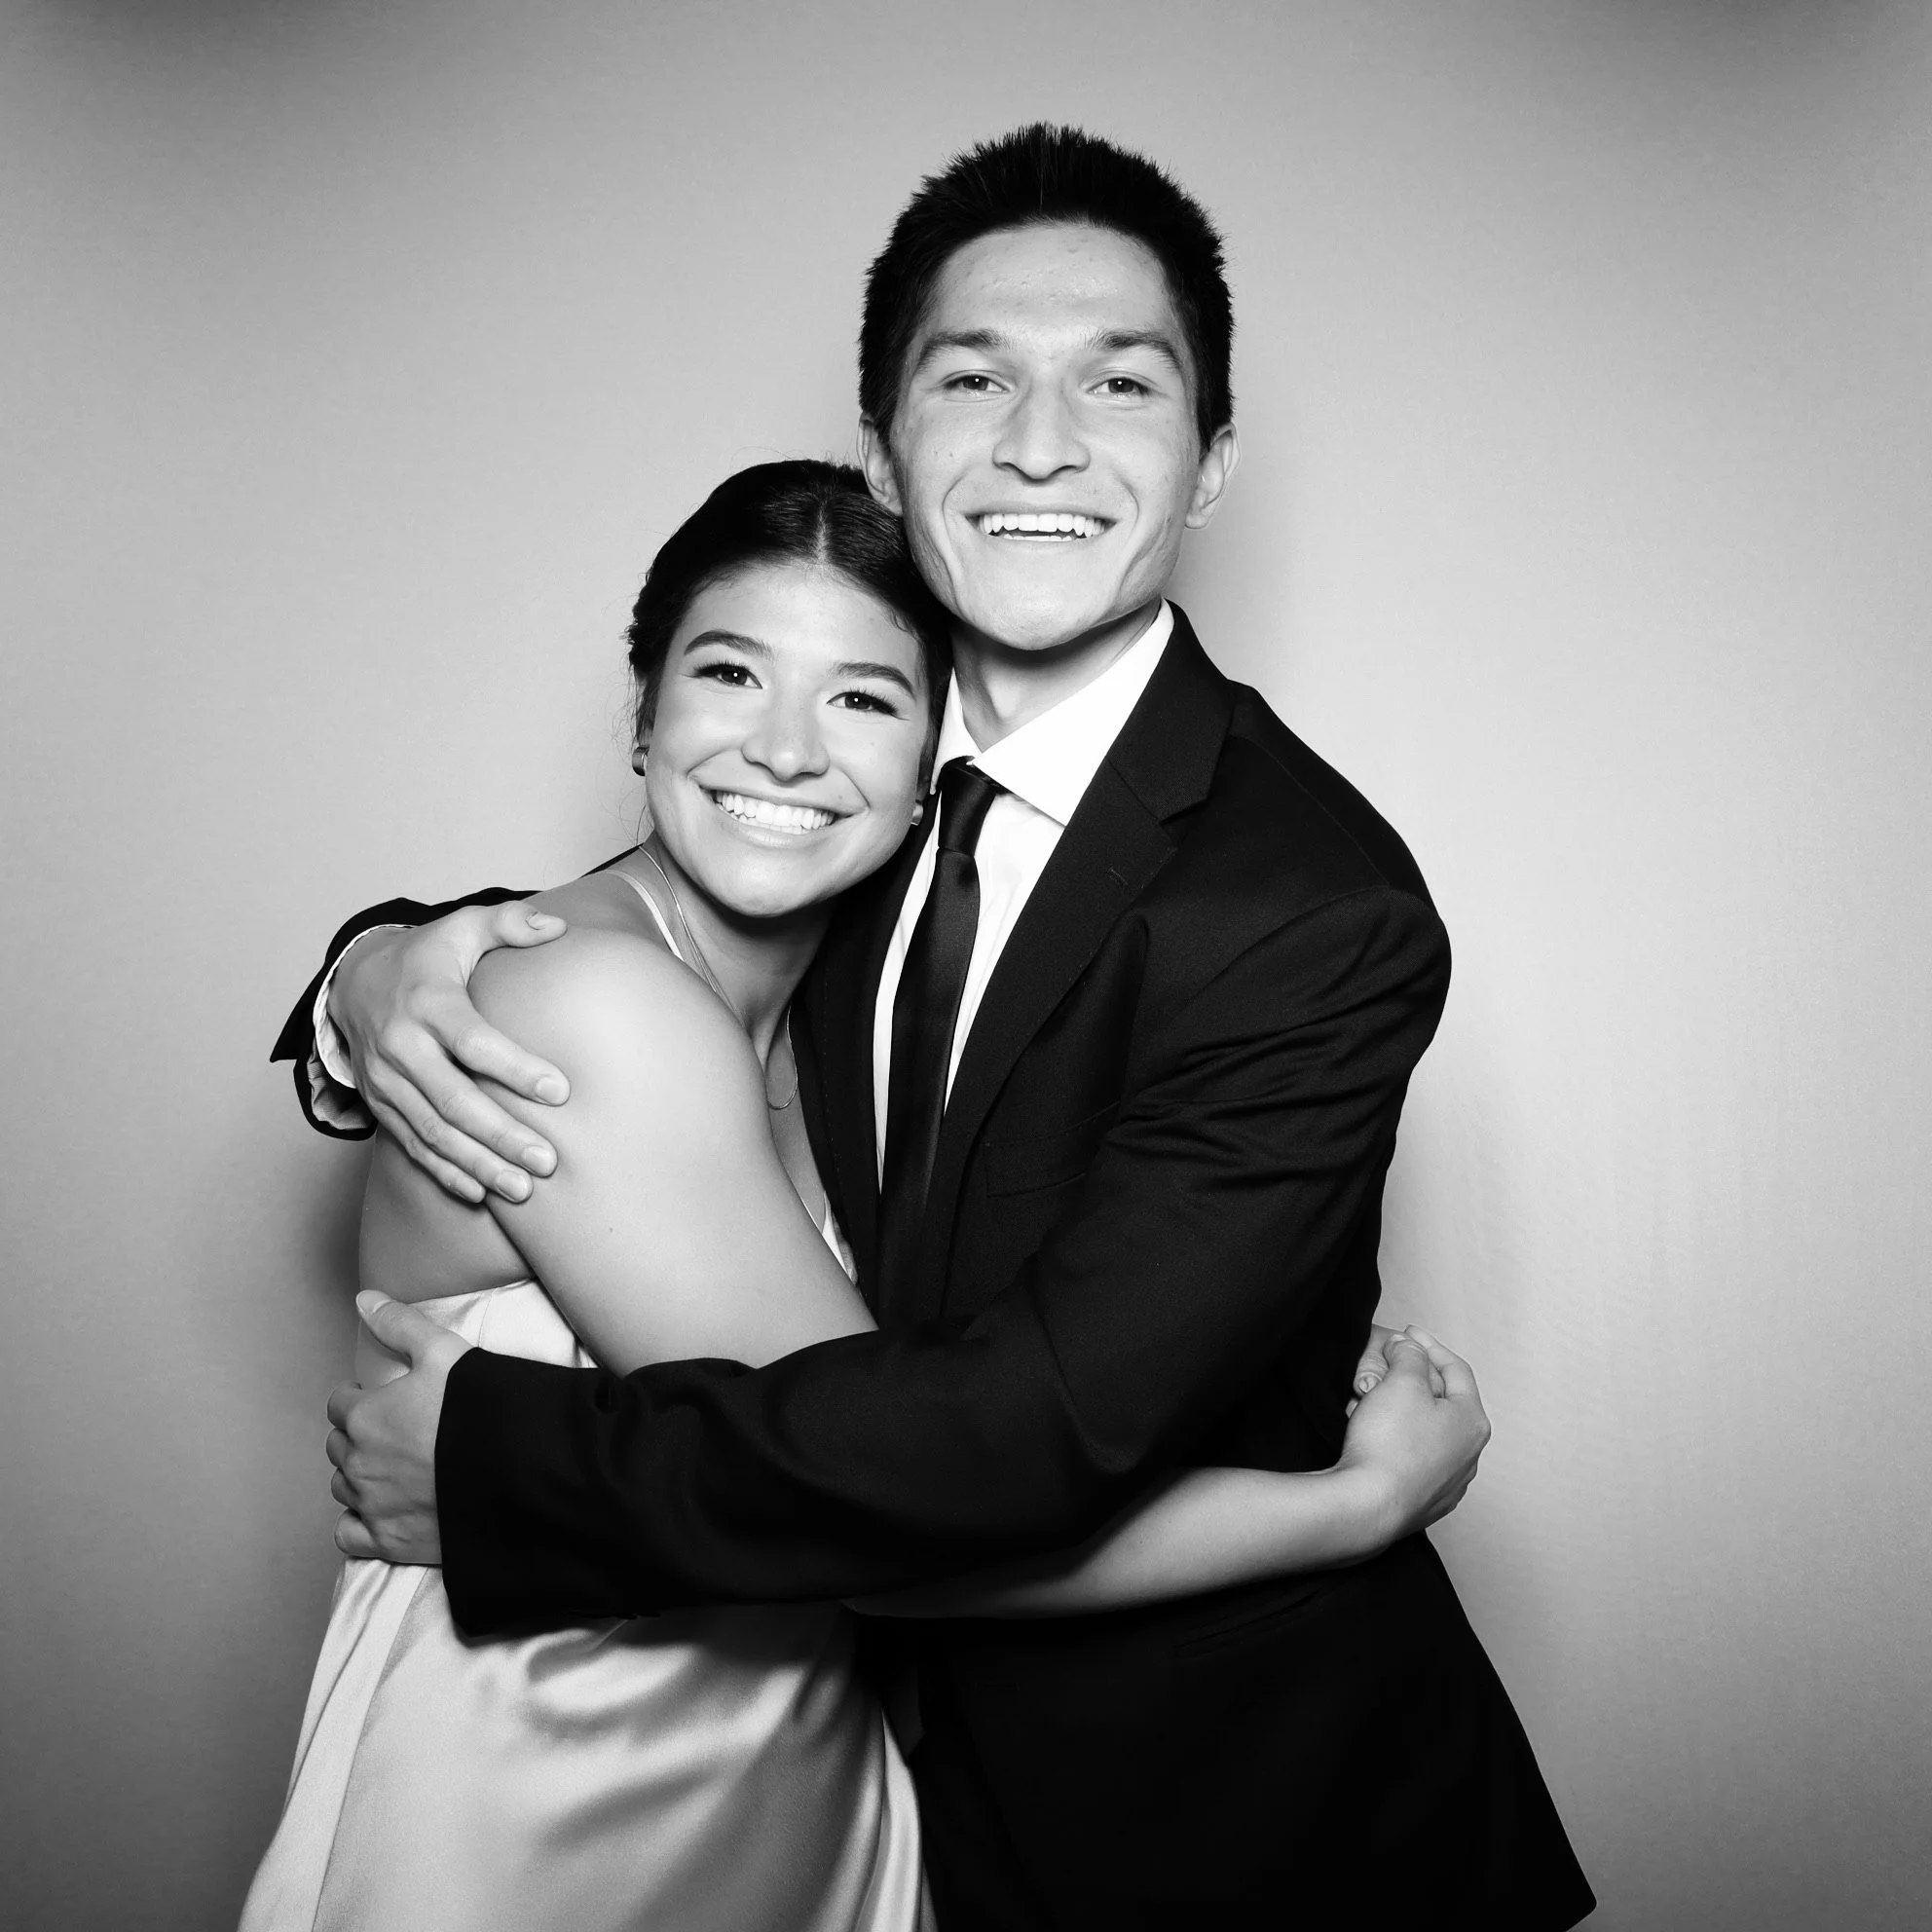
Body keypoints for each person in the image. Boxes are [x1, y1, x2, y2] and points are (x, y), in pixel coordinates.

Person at [289, 129, 1595, 1927]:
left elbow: (1016, 1438)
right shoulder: (862, 803)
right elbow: (632, 917)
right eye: (974, 379)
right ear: (885, 454)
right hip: (843, 1790)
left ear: (1209, 462)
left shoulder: (1310, 911)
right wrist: (377, 970)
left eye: (1120, 384)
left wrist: (508, 1469)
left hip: (1228, 1830)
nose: (1043, 443)